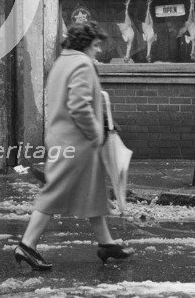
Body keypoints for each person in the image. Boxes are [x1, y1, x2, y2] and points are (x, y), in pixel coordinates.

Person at [14, 20, 134, 270]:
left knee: (93, 191)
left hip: (64, 138)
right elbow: (78, 105)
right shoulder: (82, 63)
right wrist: (95, 134)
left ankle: (106, 243)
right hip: (76, 141)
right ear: (85, 44)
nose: (99, 50)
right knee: (55, 192)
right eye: (97, 45)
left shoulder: (62, 61)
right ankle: (27, 245)